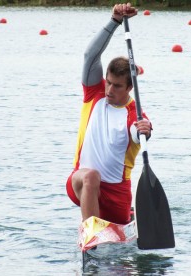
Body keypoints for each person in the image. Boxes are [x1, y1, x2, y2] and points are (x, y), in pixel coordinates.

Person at [66, 3, 152, 225]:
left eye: (117, 86)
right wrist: (114, 21)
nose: (109, 90)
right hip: (80, 183)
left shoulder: (135, 112)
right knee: (90, 176)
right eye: (109, 83)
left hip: (116, 196)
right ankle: (90, 233)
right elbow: (89, 56)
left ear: (129, 88)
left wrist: (146, 130)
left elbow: (139, 131)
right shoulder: (94, 93)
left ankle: (112, 224)